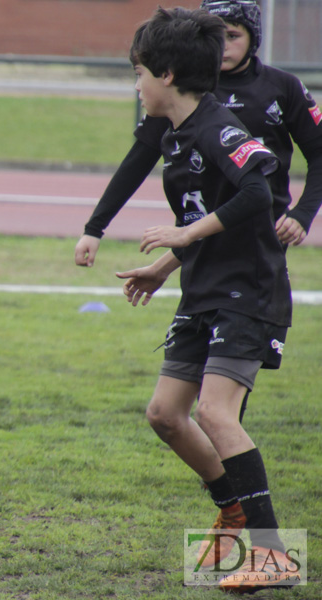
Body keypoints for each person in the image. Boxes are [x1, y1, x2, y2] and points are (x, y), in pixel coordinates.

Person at [115, 7, 297, 592]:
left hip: (248, 291)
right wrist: (167, 264)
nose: (136, 84)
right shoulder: (179, 135)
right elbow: (204, 214)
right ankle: (235, 508)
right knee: (166, 415)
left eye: (139, 72)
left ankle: (272, 557)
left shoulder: (220, 127)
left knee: (216, 413)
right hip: (203, 289)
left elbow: (260, 187)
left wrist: (185, 236)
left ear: (166, 74)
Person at [74, 0, 322, 269]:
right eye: (217, 37)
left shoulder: (283, 87)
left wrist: (303, 213)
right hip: (200, 239)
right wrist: (95, 228)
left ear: (253, 37)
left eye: (233, 36)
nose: (223, 45)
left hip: (257, 236)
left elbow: (316, 155)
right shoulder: (184, 92)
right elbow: (138, 160)